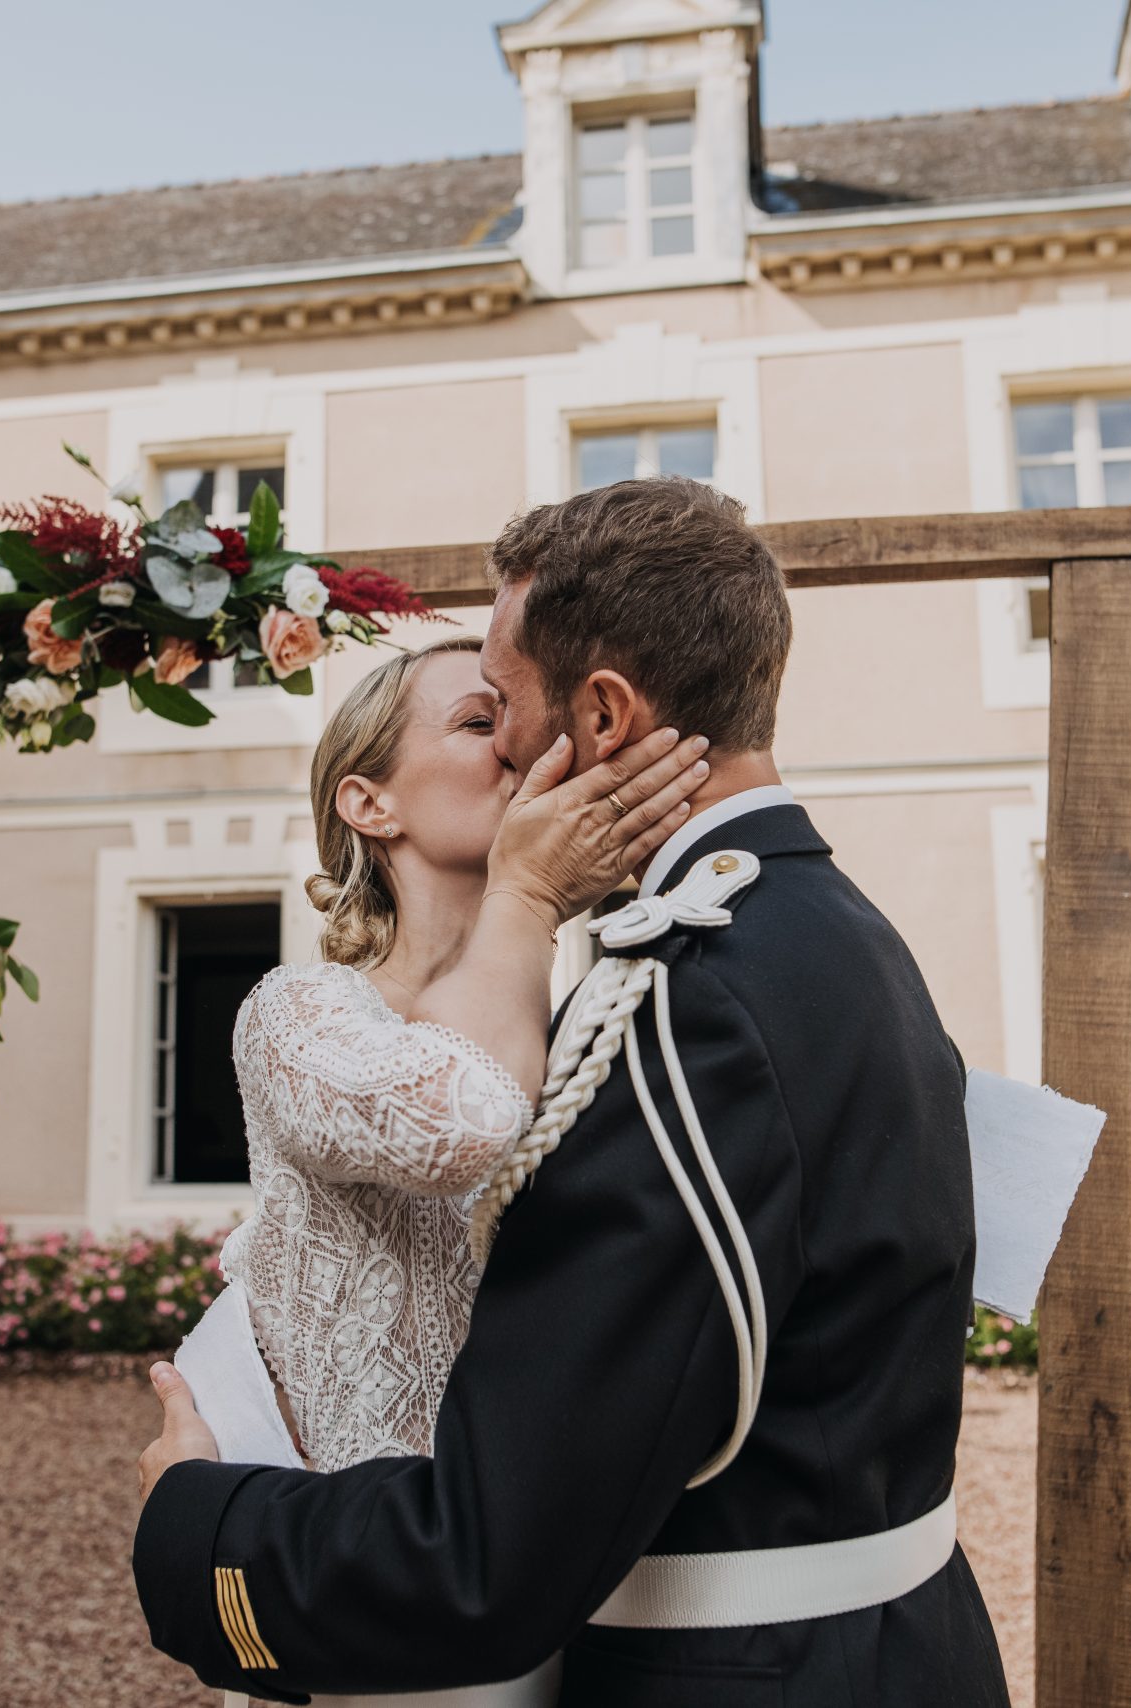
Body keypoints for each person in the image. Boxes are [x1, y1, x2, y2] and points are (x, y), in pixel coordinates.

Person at [136, 477, 1009, 1708]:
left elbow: (492, 1554)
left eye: (508, 704)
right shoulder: (828, 930)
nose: (497, 743)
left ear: (600, 715)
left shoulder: (686, 998)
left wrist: (200, 1529)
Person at [165, 632, 709, 1708]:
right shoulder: (296, 1014)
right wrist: (527, 897)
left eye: (517, 717)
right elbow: (459, 1114)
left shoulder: (590, 1020)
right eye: (476, 722)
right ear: (369, 803)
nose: (518, 745)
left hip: (542, 1572)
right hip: (358, 1582)